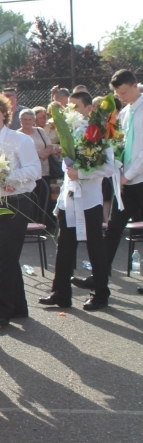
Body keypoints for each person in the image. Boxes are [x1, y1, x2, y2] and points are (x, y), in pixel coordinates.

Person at [40, 98, 113, 312]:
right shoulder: (68, 132)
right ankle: (60, 293)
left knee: (94, 246)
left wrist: (81, 172)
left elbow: (109, 167)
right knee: (64, 246)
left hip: (89, 199)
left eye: (76, 107)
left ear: (89, 109)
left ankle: (100, 293)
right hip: (69, 199)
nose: (70, 111)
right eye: (68, 107)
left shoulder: (98, 133)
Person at [73, 70, 143, 293]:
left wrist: (127, 175)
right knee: (112, 229)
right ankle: (99, 275)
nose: (120, 97)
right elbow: (120, 145)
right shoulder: (124, 112)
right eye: (117, 93)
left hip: (138, 179)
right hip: (125, 182)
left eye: (123, 92)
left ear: (134, 86)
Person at [0, 93, 42, 325]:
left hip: (16, 203)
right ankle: (18, 306)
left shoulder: (19, 140)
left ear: (5, 114)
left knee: (5, 258)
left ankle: (1, 310)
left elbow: (35, 170)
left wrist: (5, 178)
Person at [18, 108, 55, 226]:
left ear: (34, 120)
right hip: (28, 171)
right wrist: (37, 155)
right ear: (20, 120)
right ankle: (30, 222)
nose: (28, 122)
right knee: (31, 198)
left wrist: (44, 154)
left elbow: (49, 145)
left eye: (30, 119)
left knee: (44, 196)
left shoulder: (40, 131)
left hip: (44, 170)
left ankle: (45, 222)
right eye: (25, 119)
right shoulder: (17, 134)